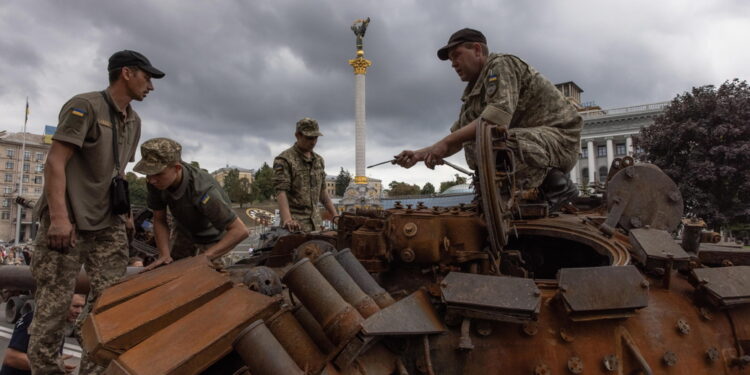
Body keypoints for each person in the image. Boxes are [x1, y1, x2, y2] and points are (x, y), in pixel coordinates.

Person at [29, 49, 164, 374]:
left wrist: (127, 215)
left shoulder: (133, 120)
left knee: (109, 306)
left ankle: (94, 370)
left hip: (106, 222)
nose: (151, 86)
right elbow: (55, 162)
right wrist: (60, 219)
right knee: (54, 308)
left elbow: (115, 172)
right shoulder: (85, 106)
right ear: (126, 73)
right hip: (68, 221)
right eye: (147, 77)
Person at [394, 28, 582, 209]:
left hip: (561, 141)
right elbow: (454, 141)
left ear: (477, 50)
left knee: (494, 136)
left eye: (457, 55)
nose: (453, 64)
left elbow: (496, 120)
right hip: (537, 141)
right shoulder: (473, 94)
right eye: (451, 60)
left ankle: (557, 186)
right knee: (474, 139)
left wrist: (446, 142)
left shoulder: (501, 65)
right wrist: (418, 155)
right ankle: (501, 194)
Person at [134, 138, 249, 270]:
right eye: (148, 174)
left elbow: (240, 231)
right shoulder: (155, 181)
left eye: (158, 174)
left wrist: (205, 258)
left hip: (213, 238)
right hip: (185, 231)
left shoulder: (202, 190)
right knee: (172, 271)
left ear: (177, 168)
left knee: (208, 278)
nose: (152, 180)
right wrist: (164, 255)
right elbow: (159, 219)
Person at [273, 118, 338, 232]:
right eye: (309, 138)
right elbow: (281, 192)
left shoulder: (318, 160)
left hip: (316, 226)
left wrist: (335, 216)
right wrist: (288, 220)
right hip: (295, 227)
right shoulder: (284, 160)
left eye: (315, 138)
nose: (313, 142)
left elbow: (323, 192)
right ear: (298, 135)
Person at [1, 294, 85, 375]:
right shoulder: (35, 321)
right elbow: (11, 358)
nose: (79, 311)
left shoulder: (58, 325)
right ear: (62, 304)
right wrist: (50, 366)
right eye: (75, 306)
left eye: (82, 307)